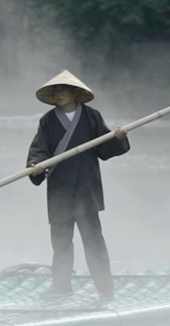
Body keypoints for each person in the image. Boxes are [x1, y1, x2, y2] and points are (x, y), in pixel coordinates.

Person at [26, 70, 129, 301]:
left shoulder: (92, 116)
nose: (58, 94)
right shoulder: (48, 120)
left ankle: (105, 289)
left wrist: (118, 137)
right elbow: (39, 148)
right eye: (55, 91)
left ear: (75, 93)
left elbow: (104, 149)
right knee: (61, 243)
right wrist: (36, 164)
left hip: (86, 189)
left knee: (93, 242)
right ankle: (61, 286)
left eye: (62, 89)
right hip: (59, 190)